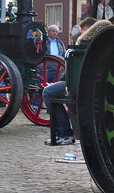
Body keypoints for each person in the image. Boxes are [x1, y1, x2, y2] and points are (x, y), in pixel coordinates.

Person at [42, 17, 105, 146]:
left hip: (81, 86)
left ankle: (65, 133)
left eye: (82, 30)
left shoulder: (83, 44)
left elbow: (73, 72)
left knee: (48, 92)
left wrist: (64, 82)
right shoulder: (104, 43)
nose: (80, 32)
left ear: (87, 29)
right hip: (100, 85)